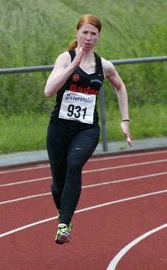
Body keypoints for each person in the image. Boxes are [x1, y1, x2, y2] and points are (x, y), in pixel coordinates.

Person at [44, 14, 132, 244]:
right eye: (85, 32)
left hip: (87, 130)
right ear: (77, 33)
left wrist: (125, 120)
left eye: (93, 34)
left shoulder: (105, 66)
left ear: (98, 37)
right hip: (59, 130)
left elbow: (120, 87)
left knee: (75, 165)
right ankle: (64, 215)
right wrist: (73, 66)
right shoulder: (65, 58)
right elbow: (48, 91)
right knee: (57, 184)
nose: (89, 38)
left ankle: (63, 225)